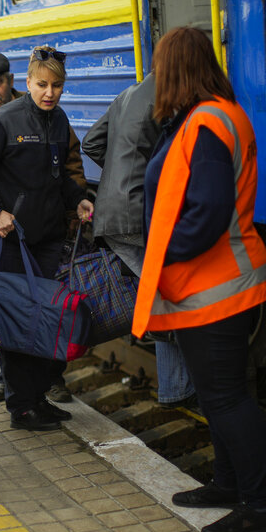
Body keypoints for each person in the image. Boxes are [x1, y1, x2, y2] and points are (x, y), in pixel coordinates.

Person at [132, 26, 266, 532]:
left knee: (227, 397)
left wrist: (160, 254)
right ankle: (227, 483)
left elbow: (209, 213)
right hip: (211, 286)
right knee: (219, 395)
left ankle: (259, 505)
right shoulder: (209, 116)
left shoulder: (207, 122)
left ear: (175, 67)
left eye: (160, 66)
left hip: (217, 288)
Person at [0, 46, 94, 431]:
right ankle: (21, 406)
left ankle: (37, 397)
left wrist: (81, 200)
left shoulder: (58, 122)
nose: (49, 93)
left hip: (47, 240)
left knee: (43, 319)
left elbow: (60, 179)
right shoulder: (2, 122)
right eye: (42, 85)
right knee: (16, 322)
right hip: (10, 242)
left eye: (57, 86)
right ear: (26, 83)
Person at [83, 73, 196, 407]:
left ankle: (179, 386)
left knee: (161, 292)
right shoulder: (171, 95)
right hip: (136, 213)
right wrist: (141, 178)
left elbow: (91, 143)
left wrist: (119, 173)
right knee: (166, 294)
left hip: (111, 210)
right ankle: (178, 388)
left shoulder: (127, 94)